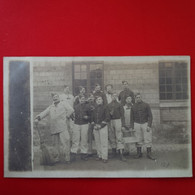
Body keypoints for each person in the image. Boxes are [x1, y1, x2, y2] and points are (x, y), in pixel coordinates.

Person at [35, 93, 74, 164]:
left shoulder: (63, 103)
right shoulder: (51, 106)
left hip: (63, 126)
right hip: (54, 127)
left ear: (59, 98)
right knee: (55, 144)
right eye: (54, 97)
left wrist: (67, 116)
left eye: (56, 97)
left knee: (66, 142)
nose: (55, 98)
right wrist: (38, 118)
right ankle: (57, 158)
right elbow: (44, 113)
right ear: (52, 99)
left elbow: (71, 110)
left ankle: (67, 158)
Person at [130, 93, 155, 160]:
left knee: (148, 138)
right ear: (135, 98)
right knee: (138, 139)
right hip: (137, 124)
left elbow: (150, 116)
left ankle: (149, 153)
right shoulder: (133, 106)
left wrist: (149, 125)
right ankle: (139, 153)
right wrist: (132, 127)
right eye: (137, 97)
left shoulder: (146, 105)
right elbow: (131, 118)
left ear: (141, 97)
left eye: (139, 97)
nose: (138, 99)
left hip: (145, 123)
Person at [107, 92, 126, 161]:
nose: (114, 97)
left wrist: (123, 125)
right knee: (111, 136)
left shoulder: (120, 105)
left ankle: (121, 153)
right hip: (111, 121)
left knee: (119, 136)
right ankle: (114, 152)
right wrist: (109, 115)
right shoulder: (108, 105)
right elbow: (107, 116)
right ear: (111, 97)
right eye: (113, 96)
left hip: (118, 120)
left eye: (115, 96)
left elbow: (122, 116)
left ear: (117, 97)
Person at [91, 96, 110, 163]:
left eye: (100, 99)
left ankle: (104, 157)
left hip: (103, 127)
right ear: (96, 101)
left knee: (104, 142)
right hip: (95, 127)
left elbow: (107, 118)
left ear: (102, 100)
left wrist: (100, 126)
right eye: (97, 100)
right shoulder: (94, 109)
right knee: (97, 142)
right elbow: (92, 118)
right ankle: (99, 155)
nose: (98, 100)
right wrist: (94, 125)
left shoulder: (105, 107)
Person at [71, 95, 90, 161]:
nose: (82, 100)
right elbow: (72, 115)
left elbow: (90, 115)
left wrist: (87, 117)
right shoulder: (75, 107)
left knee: (84, 139)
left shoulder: (87, 107)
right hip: (76, 124)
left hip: (84, 124)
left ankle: (84, 154)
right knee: (75, 139)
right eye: (81, 99)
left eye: (83, 99)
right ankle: (73, 154)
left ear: (85, 100)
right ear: (79, 100)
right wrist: (72, 118)